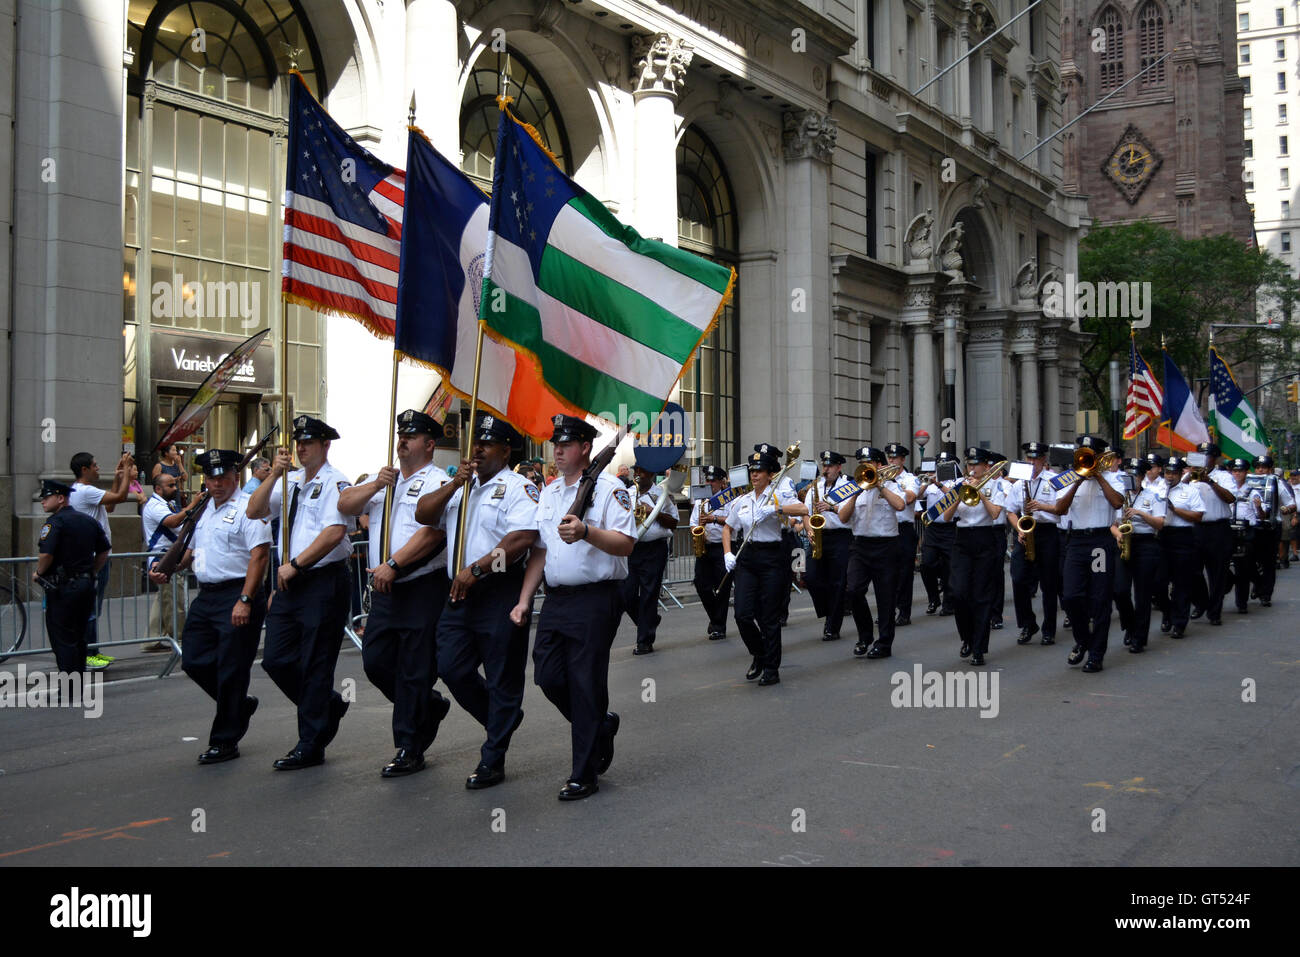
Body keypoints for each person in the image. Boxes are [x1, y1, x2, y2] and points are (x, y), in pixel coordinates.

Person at [510, 415, 635, 801]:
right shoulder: (548, 493)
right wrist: (524, 599)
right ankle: (598, 725)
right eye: (555, 444)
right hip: (558, 600)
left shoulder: (610, 488)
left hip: (596, 598)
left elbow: (625, 544)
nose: (558, 450)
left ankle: (584, 774)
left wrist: (587, 532)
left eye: (566, 444)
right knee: (548, 675)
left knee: (584, 682)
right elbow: (541, 551)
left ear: (585, 449)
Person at [417, 412, 537, 789]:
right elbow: (424, 514)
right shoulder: (462, 486)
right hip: (459, 593)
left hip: (498, 590)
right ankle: (500, 718)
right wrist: (454, 483)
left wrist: (480, 569)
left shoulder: (518, 487)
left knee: (503, 677)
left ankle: (492, 758)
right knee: (450, 666)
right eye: (476, 444)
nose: (478, 449)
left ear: (505, 449)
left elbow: (520, 541)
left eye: (487, 444)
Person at [337, 410, 452, 778]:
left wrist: (395, 564)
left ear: (430, 445)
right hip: (386, 590)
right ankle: (427, 706)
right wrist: (374, 486)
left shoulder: (437, 481)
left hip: (419, 586)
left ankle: (409, 746)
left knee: (414, 670)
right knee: (376, 662)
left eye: (412, 436)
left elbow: (434, 533)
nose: (403, 440)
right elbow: (345, 505)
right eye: (401, 434)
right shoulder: (382, 479)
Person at [245, 415, 355, 771]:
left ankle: (310, 743)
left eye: (309, 442)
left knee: (314, 663)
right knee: (276, 658)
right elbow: (254, 509)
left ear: (325, 445)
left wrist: (297, 564)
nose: (301, 447)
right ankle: (327, 705)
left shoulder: (335, 481)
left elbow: (334, 532)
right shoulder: (289, 481)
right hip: (291, 582)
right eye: (298, 442)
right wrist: (274, 474)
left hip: (322, 580)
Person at [148, 450, 270, 764]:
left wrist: (245, 599)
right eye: (212, 477)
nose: (217, 483)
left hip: (238, 592)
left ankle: (224, 741)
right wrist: (168, 568)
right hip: (207, 595)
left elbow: (259, 556)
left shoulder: (249, 508)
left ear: (235, 477)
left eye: (223, 477)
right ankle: (238, 705)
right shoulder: (203, 510)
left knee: (231, 668)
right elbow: (190, 550)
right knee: (194, 660)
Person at [721, 444, 808, 686]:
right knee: (742, 614)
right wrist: (728, 554)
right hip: (748, 558)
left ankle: (771, 668)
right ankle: (759, 654)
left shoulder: (778, 495)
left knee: (769, 616)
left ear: (771, 474)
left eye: (760, 471)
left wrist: (775, 508)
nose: (755, 475)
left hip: (773, 558)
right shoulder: (743, 500)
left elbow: (802, 509)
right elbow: (728, 528)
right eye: (752, 471)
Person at [1046, 436, 1125, 672]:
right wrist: (1078, 482)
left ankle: (1096, 655)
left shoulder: (1114, 478)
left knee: (1100, 600)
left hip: (1100, 542)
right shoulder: (1068, 478)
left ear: (1101, 456)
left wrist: (1098, 476)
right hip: (1076, 542)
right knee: (1070, 596)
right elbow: (1059, 509)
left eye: (1091, 454)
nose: (1086, 458)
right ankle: (1083, 640)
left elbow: (1118, 503)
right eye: (1083, 454)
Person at [35, 480, 111, 677]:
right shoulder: (87, 520)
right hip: (85, 586)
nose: (43, 501)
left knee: (63, 640)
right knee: (79, 638)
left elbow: (46, 555)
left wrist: (39, 573)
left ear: (61, 498)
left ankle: (69, 688)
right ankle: (78, 683)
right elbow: (104, 550)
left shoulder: (55, 522)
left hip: (63, 589)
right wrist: (92, 572)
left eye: (47, 497)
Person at [837, 446, 906, 659]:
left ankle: (884, 643)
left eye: (868, 464)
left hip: (886, 546)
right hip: (860, 545)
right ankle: (865, 635)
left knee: (885, 597)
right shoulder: (854, 488)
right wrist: (855, 494)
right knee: (854, 591)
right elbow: (843, 518)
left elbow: (901, 505)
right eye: (861, 465)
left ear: (879, 465)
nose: (864, 468)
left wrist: (880, 486)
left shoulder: (892, 485)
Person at [940, 447, 1006, 666]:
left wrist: (978, 492)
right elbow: (947, 517)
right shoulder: (960, 485)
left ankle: (978, 648)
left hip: (985, 538)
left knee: (981, 595)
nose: (973, 469)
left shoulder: (996, 485)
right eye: (969, 465)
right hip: (962, 540)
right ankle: (966, 638)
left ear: (986, 466)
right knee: (958, 592)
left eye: (976, 465)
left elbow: (996, 513)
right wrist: (960, 494)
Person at [68, 450, 134, 669]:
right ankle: (88, 654)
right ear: (84, 469)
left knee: (92, 608)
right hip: (94, 557)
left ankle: (92, 651)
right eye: (95, 465)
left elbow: (109, 506)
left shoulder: (82, 491)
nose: (98, 468)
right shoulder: (85, 492)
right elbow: (121, 498)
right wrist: (126, 474)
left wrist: (117, 478)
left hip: (94, 555)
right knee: (91, 608)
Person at [1005, 441, 1061, 645]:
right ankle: (1028, 624)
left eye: (1036, 459)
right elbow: (1010, 510)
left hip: (1047, 533)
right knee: (1018, 579)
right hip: (1025, 531)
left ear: (1043, 460)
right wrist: (1019, 528)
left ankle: (1049, 629)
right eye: (1029, 458)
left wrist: (1043, 506)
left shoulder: (1054, 480)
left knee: (1049, 583)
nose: (1032, 462)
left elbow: (1061, 509)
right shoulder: (1019, 482)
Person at [140, 472, 200, 652]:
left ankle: (151, 640)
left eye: (175, 485)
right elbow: (173, 522)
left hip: (168, 555)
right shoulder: (155, 506)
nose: (175, 489)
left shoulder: (168, 504)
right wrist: (194, 504)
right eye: (171, 486)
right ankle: (180, 639)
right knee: (175, 600)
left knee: (164, 599)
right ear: (158, 488)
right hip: (163, 556)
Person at [623, 464, 677, 655]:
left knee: (648, 594)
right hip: (632, 548)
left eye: (642, 471)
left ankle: (644, 640)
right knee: (626, 594)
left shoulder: (662, 494)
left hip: (654, 549)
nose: (637, 474)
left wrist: (653, 511)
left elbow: (674, 522)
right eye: (635, 471)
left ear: (652, 474)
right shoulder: (627, 493)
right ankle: (649, 620)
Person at [1115, 458, 1166, 653]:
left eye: (1136, 476)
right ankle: (1129, 625)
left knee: (1143, 594)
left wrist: (1140, 513)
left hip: (1145, 543)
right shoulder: (1119, 497)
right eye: (1129, 475)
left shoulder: (1153, 497)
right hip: (1125, 542)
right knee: (1119, 590)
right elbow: (1111, 522)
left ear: (1142, 477)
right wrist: (1118, 533)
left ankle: (1139, 637)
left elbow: (1160, 524)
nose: (1132, 479)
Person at [803, 451, 853, 641]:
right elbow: (806, 513)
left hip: (840, 535)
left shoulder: (847, 486)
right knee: (811, 576)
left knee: (837, 582)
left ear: (839, 467)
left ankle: (832, 625)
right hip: (819, 535)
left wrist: (831, 507)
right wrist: (809, 530)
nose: (826, 470)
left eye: (830, 466)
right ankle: (827, 609)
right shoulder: (816, 486)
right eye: (824, 466)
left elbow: (848, 514)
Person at [1189, 442, 1236, 625]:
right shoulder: (1189, 477)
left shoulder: (1223, 476)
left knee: (1217, 574)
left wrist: (1209, 481)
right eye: (1200, 455)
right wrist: (1189, 476)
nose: (1203, 459)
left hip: (1218, 529)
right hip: (1196, 528)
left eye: (1206, 456)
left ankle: (1214, 612)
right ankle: (1201, 602)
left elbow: (1230, 497)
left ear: (1214, 458)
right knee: (1192, 570)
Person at [690, 466, 732, 641]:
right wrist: (697, 531)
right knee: (701, 584)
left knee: (722, 588)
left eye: (713, 480)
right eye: (708, 480)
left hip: (723, 547)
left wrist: (713, 518)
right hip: (705, 547)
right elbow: (693, 523)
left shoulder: (729, 499)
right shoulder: (701, 501)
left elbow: (733, 522)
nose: (709, 483)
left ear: (722, 482)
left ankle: (719, 626)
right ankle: (715, 617)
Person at [1223, 458, 1265, 614]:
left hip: (1246, 532)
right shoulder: (1226, 491)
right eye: (1234, 471)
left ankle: (1241, 603)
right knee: (1222, 563)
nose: (1237, 474)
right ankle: (1230, 583)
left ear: (1246, 473)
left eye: (1240, 471)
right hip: (1229, 531)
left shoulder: (1252, 492)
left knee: (1244, 568)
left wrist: (1259, 508)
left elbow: (1261, 515)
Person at [884, 444, 920, 627]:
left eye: (895, 458)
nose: (891, 461)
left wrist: (891, 485)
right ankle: (888, 610)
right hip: (886, 529)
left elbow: (909, 498)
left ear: (903, 460)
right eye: (889, 457)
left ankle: (904, 611)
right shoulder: (882, 479)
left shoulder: (910, 479)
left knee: (904, 573)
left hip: (904, 529)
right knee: (886, 573)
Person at [919, 451, 958, 615]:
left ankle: (949, 603)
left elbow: (955, 495)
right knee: (926, 564)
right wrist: (926, 482)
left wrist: (939, 484)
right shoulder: (931, 480)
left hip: (952, 528)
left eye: (945, 464)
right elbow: (918, 496)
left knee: (950, 566)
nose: (941, 467)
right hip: (933, 528)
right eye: (939, 463)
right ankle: (933, 597)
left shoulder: (959, 481)